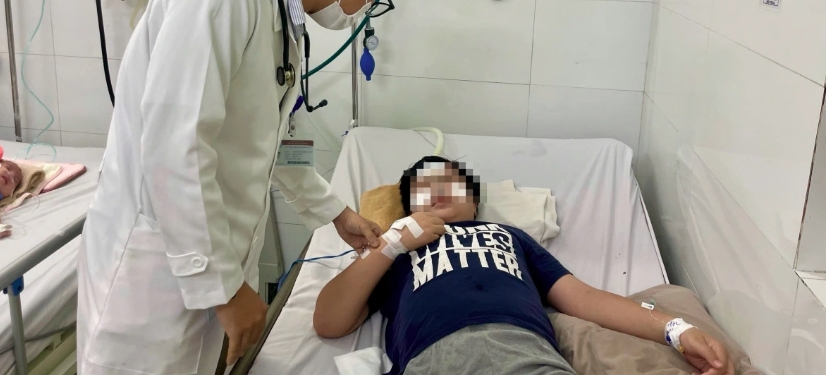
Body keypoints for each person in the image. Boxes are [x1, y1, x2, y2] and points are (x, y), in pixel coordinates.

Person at [77, 0, 415, 375]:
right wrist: (226, 290)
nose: (365, 8)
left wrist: (336, 212)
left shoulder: (283, 20)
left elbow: (280, 140)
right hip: (157, 265)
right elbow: (175, 147)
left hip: (217, 255)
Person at [314, 156, 736, 375]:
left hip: (523, 352)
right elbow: (329, 321)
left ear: (474, 199)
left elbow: (584, 298)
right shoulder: (397, 249)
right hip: (435, 357)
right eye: (423, 188)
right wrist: (392, 242)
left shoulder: (508, 235)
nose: (436, 189)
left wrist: (676, 329)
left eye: (449, 181)